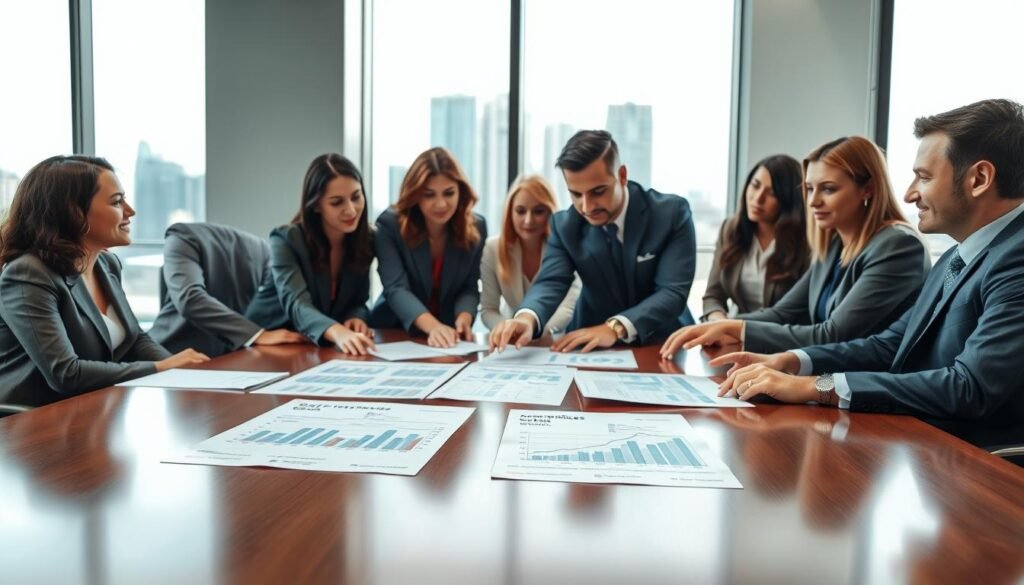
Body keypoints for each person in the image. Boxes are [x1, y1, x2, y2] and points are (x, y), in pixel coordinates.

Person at [713, 98, 1024, 447]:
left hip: (980, 466)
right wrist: (795, 361)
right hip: (925, 444)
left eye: (923, 177)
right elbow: (891, 344)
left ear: (979, 179)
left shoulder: (1016, 259)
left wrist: (816, 386)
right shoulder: (956, 255)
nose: (908, 194)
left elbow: (970, 387)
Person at [661, 136, 930, 359]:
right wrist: (718, 326)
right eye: (810, 189)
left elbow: (833, 334)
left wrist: (736, 327)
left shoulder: (898, 246)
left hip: (866, 391)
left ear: (868, 189)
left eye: (828, 189)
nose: (812, 202)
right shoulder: (835, 243)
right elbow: (783, 313)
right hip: (827, 379)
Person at [0, 156, 209, 407]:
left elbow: (135, 340)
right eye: (117, 201)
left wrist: (179, 373)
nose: (130, 211)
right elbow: (64, 373)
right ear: (74, 212)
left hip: (93, 408)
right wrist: (160, 368)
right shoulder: (27, 273)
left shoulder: (106, 265)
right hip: (34, 423)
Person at [489, 129, 696, 353]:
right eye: (576, 194)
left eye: (598, 191)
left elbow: (672, 292)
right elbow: (551, 281)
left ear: (622, 176)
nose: (586, 207)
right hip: (589, 347)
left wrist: (614, 327)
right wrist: (526, 318)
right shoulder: (564, 225)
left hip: (663, 342)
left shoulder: (671, 214)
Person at [244, 153, 376, 355]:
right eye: (336, 202)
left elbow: (358, 300)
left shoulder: (365, 239)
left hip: (314, 348)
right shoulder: (285, 240)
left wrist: (356, 317)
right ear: (315, 205)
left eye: (356, 197)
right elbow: (297, 304)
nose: (351, 210)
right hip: (269, 345)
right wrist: (338, 332)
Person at [369, 147, 487, 348]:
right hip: (393, 332)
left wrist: (464, 318)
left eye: (449, 193)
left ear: (461, 191)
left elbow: (469, 286)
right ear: (415, 195)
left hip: (448, 337)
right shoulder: (390, 225)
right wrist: (433, 327)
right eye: (429, 195)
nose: (441, 204)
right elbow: (396, 288)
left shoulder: (476, 226)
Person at [148, 222, 306, 357]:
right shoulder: (180, 236)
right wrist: (257, 335)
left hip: (227, 361)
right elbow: (190, 298)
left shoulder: (266, 250)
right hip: (169, 357)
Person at [702, 155, 810, 320]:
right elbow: (713, 296)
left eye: (772, 192)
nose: (758, 198)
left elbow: (797, 312)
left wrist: (734, 326)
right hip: (735, 334)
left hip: (782, 338)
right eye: (755, 185)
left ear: (788, 199)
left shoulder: (807, 242)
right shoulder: (730, 229)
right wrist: (718, 322)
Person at [480, 175, 580, 337]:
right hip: (512, 343)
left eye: (538, 211)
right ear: (510, 212)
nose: (528, 220)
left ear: (550, 212)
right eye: (520, 211)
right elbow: (488, 309)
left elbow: (568, 307)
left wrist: (535, 330)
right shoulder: (493, 248)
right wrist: (509, 330)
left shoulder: (565, 247)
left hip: (555, 338)